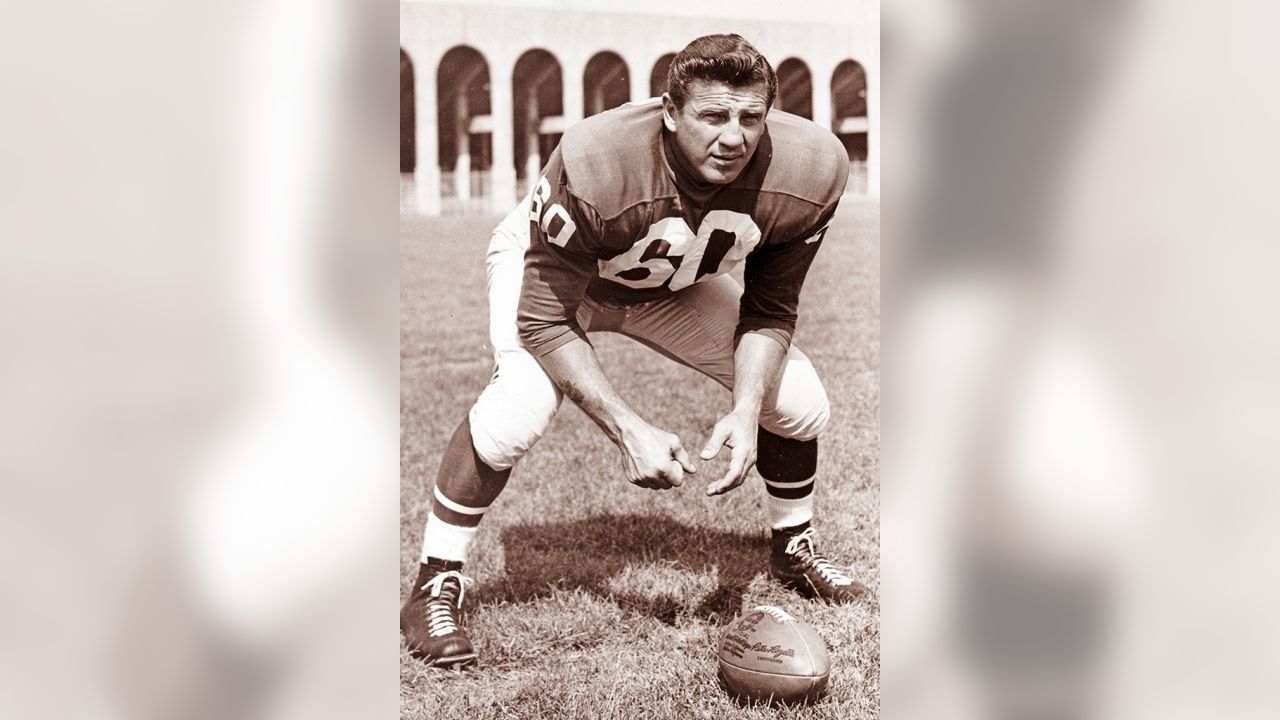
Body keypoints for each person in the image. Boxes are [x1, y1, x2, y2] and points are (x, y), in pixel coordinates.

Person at [401, 34, 867, 668]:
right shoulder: (599, 156)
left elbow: (770, 308)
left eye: (749, 118)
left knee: (799, 402)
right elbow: (543, 318)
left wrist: (744, 408)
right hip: (563, 280)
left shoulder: (810, 168)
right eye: (712, 116)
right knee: (519, 407)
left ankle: (793, 544)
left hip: (674, 279)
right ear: (670, 112)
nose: (733, 137)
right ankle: (436, 579)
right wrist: (628, 428)